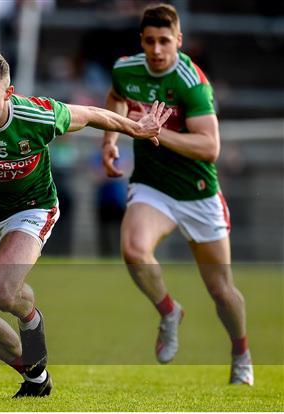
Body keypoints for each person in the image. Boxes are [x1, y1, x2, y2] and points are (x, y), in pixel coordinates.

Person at [0, 47, 170, 397]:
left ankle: (30, 319)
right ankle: (36, 378)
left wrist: (135, 128)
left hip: (32, 209)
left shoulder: (36, 116)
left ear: (8, 93)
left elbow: (91, 114)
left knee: (3, 290)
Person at [101, 4, 253, 385]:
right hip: (154, 188)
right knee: (134, 251)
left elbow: (209, 147)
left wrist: (151, 130)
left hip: (199, 194)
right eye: (150, 41)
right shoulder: (126, 68)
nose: (156, 49)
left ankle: (241, 353)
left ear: (178, 41)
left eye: (164, 41)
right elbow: (117, 97)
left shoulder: (192, 82)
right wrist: (110, 140)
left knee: (221, 291)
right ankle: (169, 311)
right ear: (141, 40)